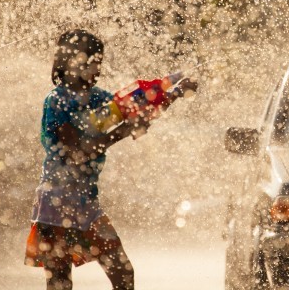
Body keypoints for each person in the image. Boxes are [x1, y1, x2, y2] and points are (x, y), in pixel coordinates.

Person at [24, 29, 197, 290]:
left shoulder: (97, 97)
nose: (99, 70)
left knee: (122, 273)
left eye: (100, 63)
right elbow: (77, 151)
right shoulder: (57, 101)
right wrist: (124, 131)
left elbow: (137, 109)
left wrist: (174, 93)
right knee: (62, 282)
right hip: (56, 203)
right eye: (94, 63)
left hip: (85, 201)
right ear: (74, 63)